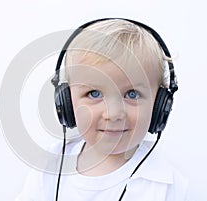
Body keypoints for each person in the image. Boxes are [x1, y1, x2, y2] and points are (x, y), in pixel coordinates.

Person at [16, 18, 191, 201]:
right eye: (94, 93)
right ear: (66, 102)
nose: (113, 114)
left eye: (132, 94)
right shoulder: (49, 168)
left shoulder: (167, 187)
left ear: (159, 105)